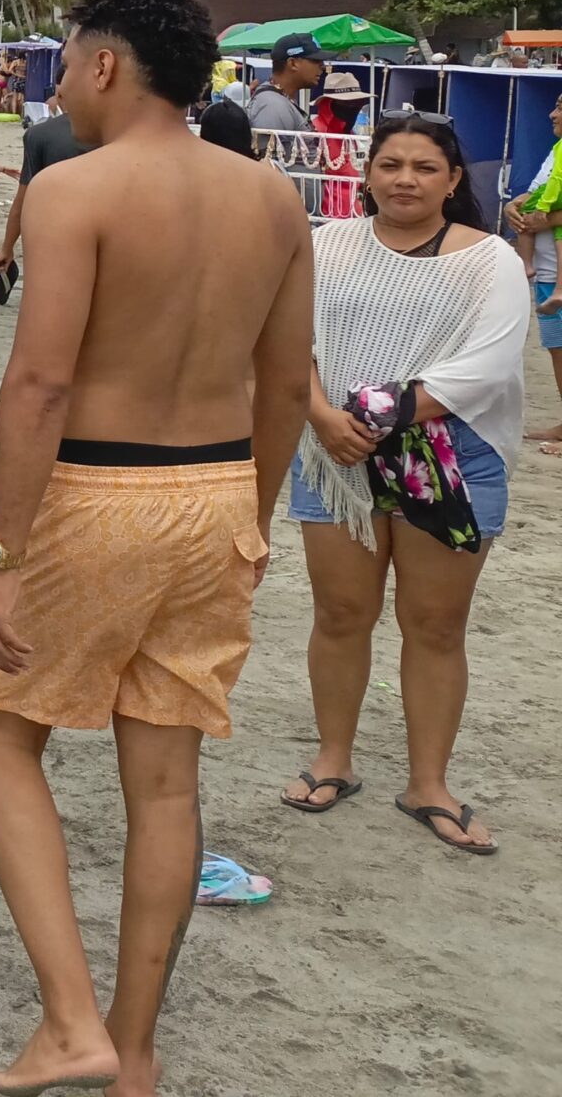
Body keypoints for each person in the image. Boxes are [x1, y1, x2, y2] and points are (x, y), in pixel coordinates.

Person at [0, 0, 314, 1097]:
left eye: (66, 59)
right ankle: (138, 1052)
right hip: (217, 489)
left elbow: (40, 381)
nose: (59, 80)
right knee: (164, 779)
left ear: (108, 65)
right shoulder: (272, 198)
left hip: (96, 491)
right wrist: (249, 517)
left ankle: (72, 1021)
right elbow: (284, 383)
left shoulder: (76, 188)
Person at [278, 114, 532, 853]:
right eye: (390, 164)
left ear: (454, 179)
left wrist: (371, 414)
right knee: (340, 612)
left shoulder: (490, 260)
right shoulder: (327, 244)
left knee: (435, 625)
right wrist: (323, 416)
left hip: (450, 456)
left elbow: (484, 367)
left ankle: (430, 782)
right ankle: (333, 757)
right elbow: (293, 337)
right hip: (335, 455)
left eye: (425, 167)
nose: (405, 180)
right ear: (367, 173)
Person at [502, 92, 562, 450]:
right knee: (557, 349)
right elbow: (533, 195)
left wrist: (548, 220)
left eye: (560, 108)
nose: (552, 114)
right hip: (547, 274)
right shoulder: (556, 151)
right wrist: (514, 206)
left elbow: (548, 211)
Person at [0, 94, 91, 289]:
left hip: (51, 232)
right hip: (102, 233)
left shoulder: (39, 134)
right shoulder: (115, 133)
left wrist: (7, 248)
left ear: (59, 95)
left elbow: (22, 198)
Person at [248, 30, 328, 212]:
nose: (322, 66)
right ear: (293, 63)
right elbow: (265, 168)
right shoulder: (272, 105)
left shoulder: (280, 101)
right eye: (315, 60)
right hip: (284, 220)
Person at [310, 73, 368, 220]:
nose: (353, 108)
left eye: (357, 104)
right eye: (347, 104)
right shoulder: (315, 132)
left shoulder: (349, 133)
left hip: (353, 215)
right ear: (329, 104)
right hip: (326, 218)